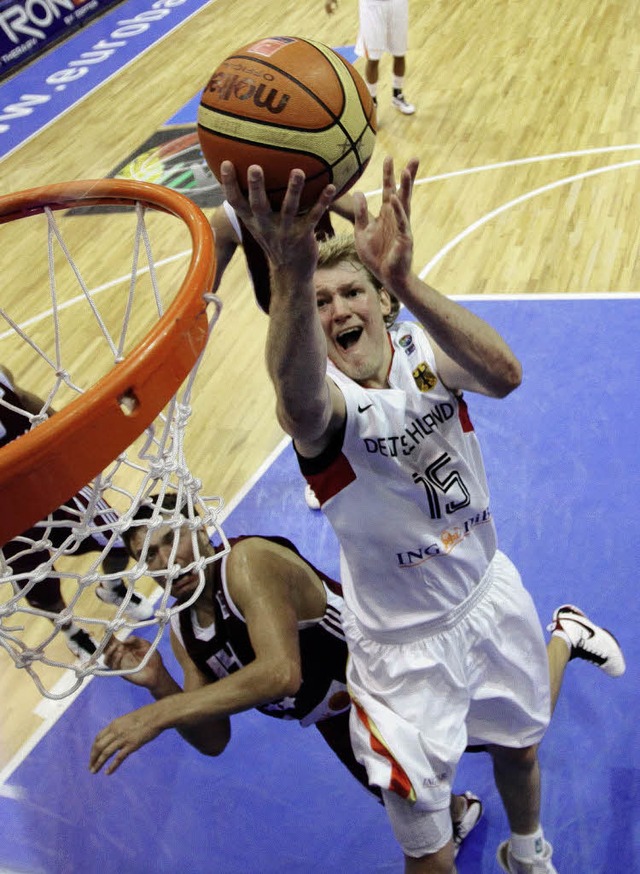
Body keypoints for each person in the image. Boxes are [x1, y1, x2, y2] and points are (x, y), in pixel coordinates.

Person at [217, 156, 626, 874]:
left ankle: (527, 849)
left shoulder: (422, 353)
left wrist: (405, 278)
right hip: (401, 658)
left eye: (352, 292)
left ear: (379, 303)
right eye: (321, 304)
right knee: (429, 858)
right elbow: (297, 393)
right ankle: (562, 640)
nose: (339, 309)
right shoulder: (328, 414)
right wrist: (288, 273)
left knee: (520, 746)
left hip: (484, 597)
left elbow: (505, 374)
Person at [89, 493, 482, 858]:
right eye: (150, 555)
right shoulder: (183, 629)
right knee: (416, 806)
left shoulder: (246, 563)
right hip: (336, 715)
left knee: (496, 750)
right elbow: (213, 739)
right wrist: (160, 683)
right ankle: (458, 814)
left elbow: (280, 674)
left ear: (199, 525)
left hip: (387, 677)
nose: (166, 561)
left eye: (172, 538)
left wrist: (156, 717)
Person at [210, 193, 359, 510]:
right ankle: (323, 475)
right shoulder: (228, 218)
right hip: (291, 323)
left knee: (361, 382)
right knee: (302, 403)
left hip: (334, 311)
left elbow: (361, 210)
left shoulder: (313, 185)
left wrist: (359, 269)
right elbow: (204, 289)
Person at [0, 365, 155, 662]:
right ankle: (71, 632)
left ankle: (113, 588)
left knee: (118, 541)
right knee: (41, 587)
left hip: (46, 479)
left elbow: (22, 398)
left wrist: (65, 432)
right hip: (7, 511)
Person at [325, 0, 415, 115]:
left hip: (397, 4)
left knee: (399, 53)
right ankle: (371, 104)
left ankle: (397, 95)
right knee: (373, 58)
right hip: (372, 6)